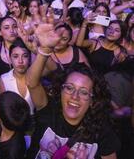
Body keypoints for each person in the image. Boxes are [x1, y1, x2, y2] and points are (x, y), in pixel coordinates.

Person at [26, 21, 120, 159]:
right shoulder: (48, 111)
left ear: (93, 99)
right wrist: (44, 50)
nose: (75, 97)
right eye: (69, 88)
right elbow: (32, 83)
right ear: (61, 90)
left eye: (83, 92)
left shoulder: (102, 131)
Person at [0, 39, 35, 114]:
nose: (20, 61)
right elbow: (3, 110)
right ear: (10, 59)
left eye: (25, 56)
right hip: (13, 123)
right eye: (15, 56)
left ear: (30, 58)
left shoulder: (35, 76)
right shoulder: (4, 79)